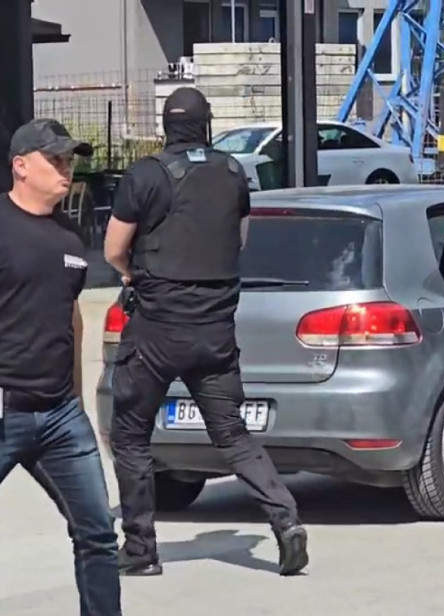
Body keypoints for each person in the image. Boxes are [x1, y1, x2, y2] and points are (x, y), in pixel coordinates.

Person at [103, 87, 308, 577]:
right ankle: (286, 521)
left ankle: (140, 550)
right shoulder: (234, 173)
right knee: (233, 436)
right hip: (214, 330)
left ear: (165, 125)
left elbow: (113, 249)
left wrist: (133, 274)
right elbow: (238, 240)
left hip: (155, 329)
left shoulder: (145, 175)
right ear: (206, 124)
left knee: (131, 437)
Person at [0, 119, 142, 616]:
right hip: (5, 405)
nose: (67, 169)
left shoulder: (69, 237)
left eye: (70, 159)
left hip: (60, 414)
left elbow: (72, 319)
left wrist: (78, 400)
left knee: (97, 531)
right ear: (21, 165)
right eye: (55, 160)